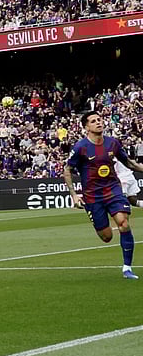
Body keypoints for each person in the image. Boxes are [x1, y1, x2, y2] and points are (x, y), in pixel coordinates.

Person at [64, 111, 143, 280]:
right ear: (86, 127)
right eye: (93, 121)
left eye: (99, 120)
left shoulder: (112, 143)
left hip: (113, 190)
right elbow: (67, 170)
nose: (98, 123)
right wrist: (73, 195)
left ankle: (127, 268)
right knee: (106, 237)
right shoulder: (80, 147)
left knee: (123, 223)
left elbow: (128, 163)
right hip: (93, 196)